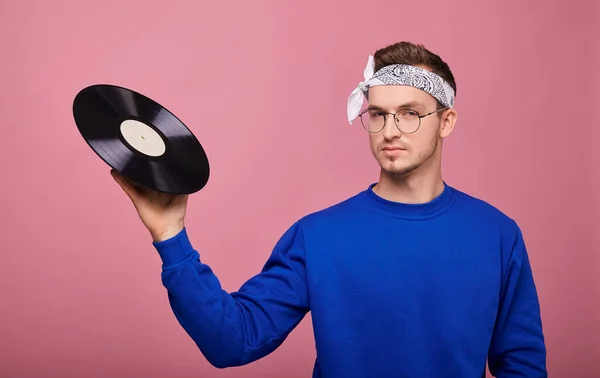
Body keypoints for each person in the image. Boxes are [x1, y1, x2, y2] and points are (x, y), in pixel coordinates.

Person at [111, 41, 547, 377]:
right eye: (377, 114)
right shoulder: (318, 236)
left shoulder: (497, 235)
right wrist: (171, 236)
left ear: (446, 121)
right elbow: (233, 340)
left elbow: (523, 366)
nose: (390, 130)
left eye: (410, 113)